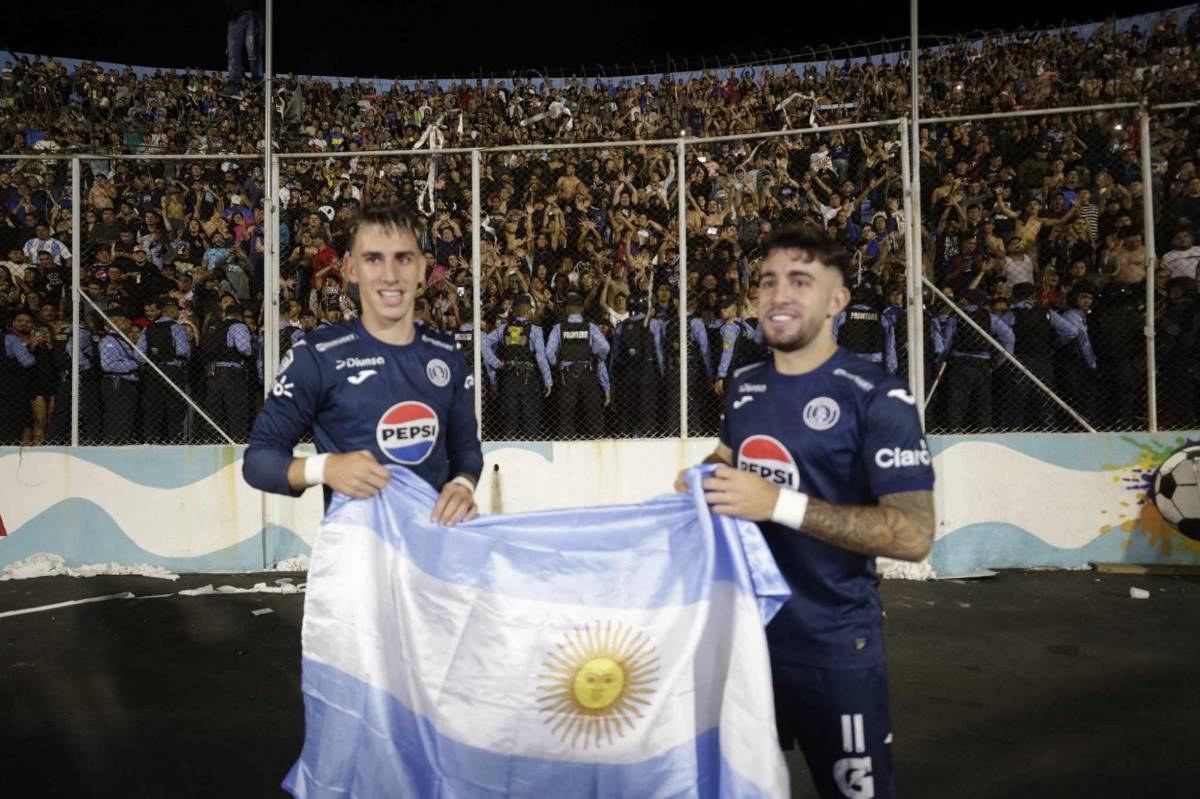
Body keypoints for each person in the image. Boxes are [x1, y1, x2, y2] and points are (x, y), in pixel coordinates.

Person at [675, 225, 934, 799]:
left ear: (837, 300)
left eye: (800, 281)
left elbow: (914, 535)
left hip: (834, 648)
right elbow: (725, 457)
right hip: (742, 642)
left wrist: (778, 504)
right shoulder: (744, 386)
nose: (779, 296)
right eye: (768, 282)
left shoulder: (877, 397)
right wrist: (698, 479)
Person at [243, 203, 481, 526]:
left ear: (422, 268)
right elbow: (259, 461)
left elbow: (466, 450)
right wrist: (325, 468)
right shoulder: (316, 356)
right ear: (350, 268)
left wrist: (463, 484)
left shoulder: (447, 355)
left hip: (432, 557)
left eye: (403, 258)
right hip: (357, 560)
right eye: (373, 259)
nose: (390, 275)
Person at [936, 287, 1015, 432]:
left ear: (965, 300)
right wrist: (999, 360)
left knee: (957, 401)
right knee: (983, 401)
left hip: (960, 363)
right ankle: (983, 431)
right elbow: (1009, 338)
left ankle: (954, 430)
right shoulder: (991, 317)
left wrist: (941, 362)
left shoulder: (956, 317)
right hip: (983, 363)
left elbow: (946, 344)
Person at [482, 294, 552, 440]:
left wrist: (497, 363)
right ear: (528, 311)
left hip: (508, 376)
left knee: (509, 420)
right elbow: (540, 357)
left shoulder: (503, 329)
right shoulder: (535, 330)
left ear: (514, 310)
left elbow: (484, 343)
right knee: (530, 420)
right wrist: (548, 381)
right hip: (528, 378)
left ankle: (510, 451)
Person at [545, 291, 610, 438]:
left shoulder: (558, 328)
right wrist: (595, 355)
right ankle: (596, 445)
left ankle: (566, 450)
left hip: (567, 375)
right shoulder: (590, 327)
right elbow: (605, 347)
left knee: (566, 417)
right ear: (581, 309)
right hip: (588, 372)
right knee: (594, 416)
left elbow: (549, 352)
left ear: (567, 308)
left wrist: (559, 365)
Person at [138, 297, 192, 443]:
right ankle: (175, 438)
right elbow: (183, 350)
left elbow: (138, 354)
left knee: (153, 407)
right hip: (172, 369)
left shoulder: (147, 328)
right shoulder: (177, 327)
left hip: (153, 371)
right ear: (172, 310)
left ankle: (152, 438)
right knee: (174, 405)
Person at [200, 300, 254, 441]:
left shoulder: (215, 327)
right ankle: (237, 441)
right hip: (232, 374)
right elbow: (244, 349)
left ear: (226, 313)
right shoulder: (238, 326)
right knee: (236, 411)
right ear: (240, 316)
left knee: (215, 413)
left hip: (213, 373)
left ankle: (212, 442)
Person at [610, 295, 663, 437]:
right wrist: (661, 372)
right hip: (647, 369)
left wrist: (615, 375)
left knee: (630, 407)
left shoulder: (622, 325)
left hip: (628, 371)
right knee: (647, 408)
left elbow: (615, 355)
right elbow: (658, 349)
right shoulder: (653, 324)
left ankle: (630, 435)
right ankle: (648, 434)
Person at [833, 286, 898, 374]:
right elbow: (890, 347)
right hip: (874, 365)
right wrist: (891, 370)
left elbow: (831, 340)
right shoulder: (882, 318)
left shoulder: (842, 316)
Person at [98, 315, 142, 444]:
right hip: (117, 382)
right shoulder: (109, 341)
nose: (128, 321)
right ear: (113, 322)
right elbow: (107, 365)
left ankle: (123, 442)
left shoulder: (123, 340)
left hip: (128, 383)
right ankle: (114, 443)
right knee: (117, 417)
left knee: (127, 417)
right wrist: (133, 364)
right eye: (123, 319)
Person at [2, 313, 37, 444]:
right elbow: (27, 362)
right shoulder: (13, 339)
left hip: (16, 386)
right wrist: (31, 347)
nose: (24, 324)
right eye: (20, 321)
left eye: (28, 321)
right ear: (13, 323)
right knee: (19, 419)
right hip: (13, 388)